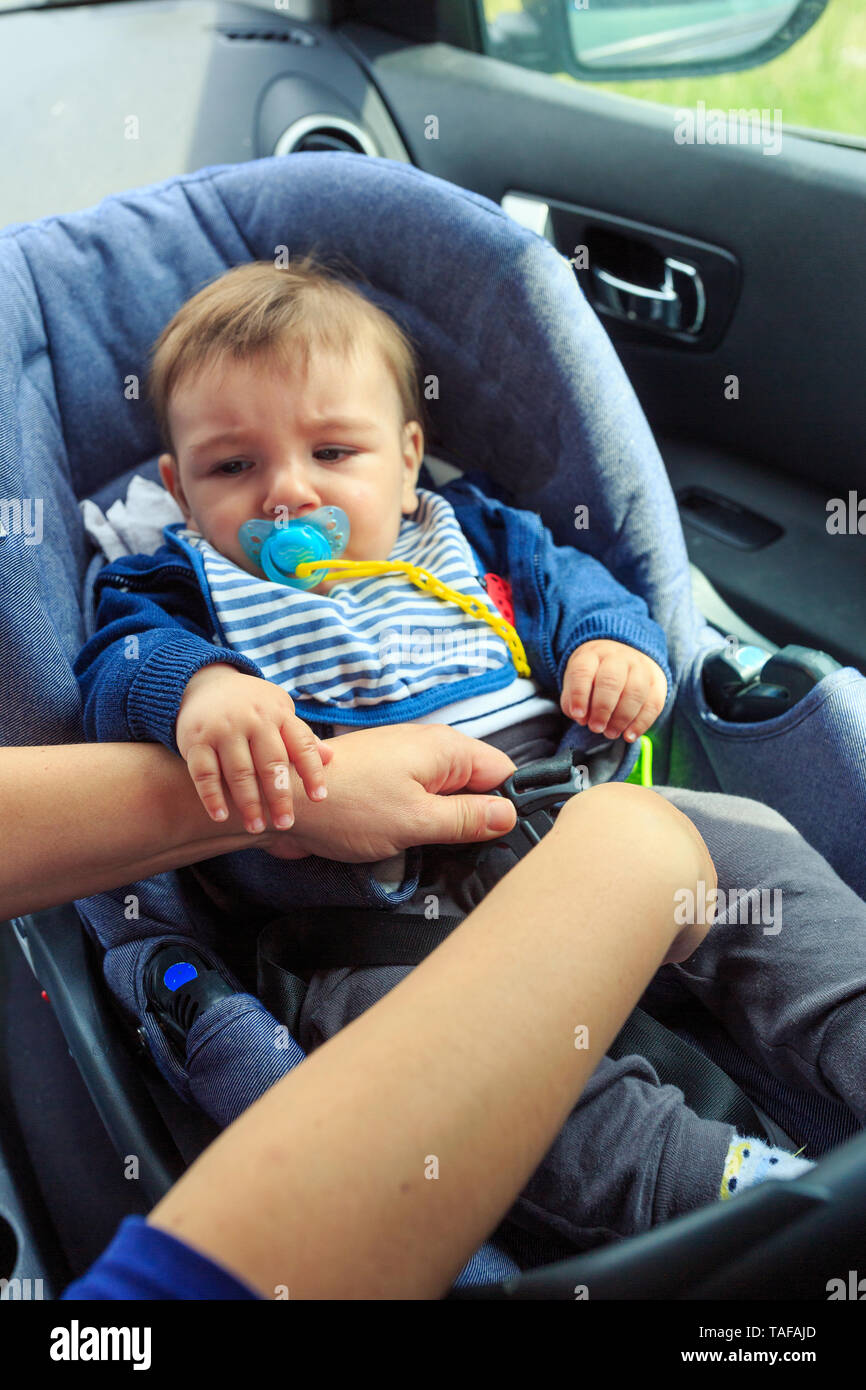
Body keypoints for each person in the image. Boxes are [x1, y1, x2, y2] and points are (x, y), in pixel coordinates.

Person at [75, 253, 866, 1253]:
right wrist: (202, 691)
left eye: (333, 452)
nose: (285, 493)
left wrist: (609, 647)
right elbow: (118, 665)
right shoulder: (173, 587)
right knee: (413, 1071)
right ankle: (717, 1189)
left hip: (590, 822)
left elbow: (579, 585)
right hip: (377, 921)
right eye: (232, 467)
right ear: (177, 487)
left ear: (408, 458)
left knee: (755, 857)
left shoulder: (476, 536)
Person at [3, 741, 717, 1298]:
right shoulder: (168, 586)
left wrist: (291, 791)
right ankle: (724, 1175)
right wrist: (629, 857)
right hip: (372, 927)